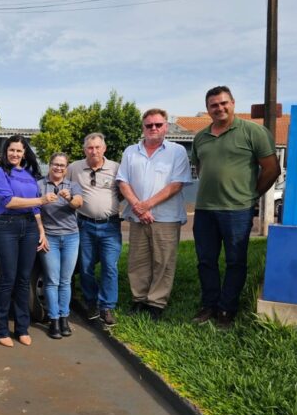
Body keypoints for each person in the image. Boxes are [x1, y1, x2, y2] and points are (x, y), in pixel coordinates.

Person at [191, 85, 280, 327]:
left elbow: (271, 168)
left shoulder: (253, 132)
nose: (219, 108)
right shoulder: (200, 137)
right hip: (205, 209)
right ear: (207, 109)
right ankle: (209, 304)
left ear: (232, 103)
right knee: (206, 260)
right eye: (213, 105)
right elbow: (200, 168)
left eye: (223, 103)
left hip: (237, 210)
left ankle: (226, 308)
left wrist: (251, 195)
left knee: (235, 261)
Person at [116, 108, 192, 320]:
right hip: (137, 216)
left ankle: (156, 303)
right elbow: (123, 181)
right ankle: (139, 299)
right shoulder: (131, 151)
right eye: (149, 125)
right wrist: (138, 207)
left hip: (166, 217)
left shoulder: (177, 151)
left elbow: (176, 184)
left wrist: (145, 205)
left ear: (166, 126)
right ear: (143, 127)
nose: (153, 128)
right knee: (137, 260)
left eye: (158, 124)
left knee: (163, 261)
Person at [0, 135, 54, 347]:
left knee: (24, 280)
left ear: (24, 153)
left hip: (30, 227)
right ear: (5, 151)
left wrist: (41, 229)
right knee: (8, 279)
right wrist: (41, 199)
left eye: (19, 150)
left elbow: (34, 208)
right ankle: (0, 330)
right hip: (6, 227)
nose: (15, 154)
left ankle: (22, 328)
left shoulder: (28, 174)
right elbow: (8, 201)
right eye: (11, 150)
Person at [67, 132, 122, 326]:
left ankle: (106, 306)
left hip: (110, 225)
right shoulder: (74, 168)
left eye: (98, 147)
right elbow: (61, 183)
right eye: (90, 148)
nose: (94, 151)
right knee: (86, 266)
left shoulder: (115, 168)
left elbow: (123, 191)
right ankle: (91, 301)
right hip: (85, 224)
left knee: (110, 266)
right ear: (84, 150)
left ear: (104, 148)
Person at [38, 153, 83, 339]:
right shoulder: (39, 185)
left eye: (62, 165)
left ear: (66, 168)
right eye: (55, 164)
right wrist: (41, 233)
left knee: (66, 280)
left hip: (71, 237)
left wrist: (69, 198)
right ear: (49, 165)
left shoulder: (72, 185)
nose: (58, 168)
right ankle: (54, 319)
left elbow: (79, 203)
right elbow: (35, 211)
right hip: (50, 238)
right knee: (52, 280)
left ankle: (65, 318)